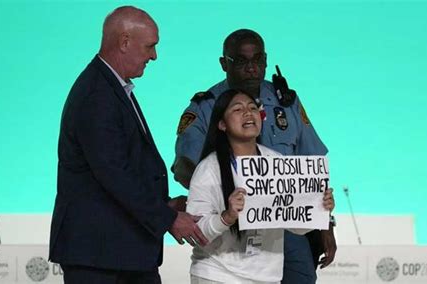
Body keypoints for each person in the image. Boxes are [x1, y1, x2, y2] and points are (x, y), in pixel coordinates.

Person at [49, 6, 207, 284]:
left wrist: (164, 205)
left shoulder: (109, 87)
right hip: (100, 257)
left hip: (118, 252)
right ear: (124, 42)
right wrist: (166, 218)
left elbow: (121, 169)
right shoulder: (97, 94)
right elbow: (114, 173)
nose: (154, 56)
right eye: (150, 46)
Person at [173, 29, 336, 283]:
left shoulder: (287, 102)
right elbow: (188, 167)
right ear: (224, 63)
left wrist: (326, 221)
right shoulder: (206, 106)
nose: (252, 68)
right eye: (242, 61)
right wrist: (224, 207)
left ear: (266, 60)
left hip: (284, 223)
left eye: (257, 60)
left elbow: (311, 164)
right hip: (229, 228)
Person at [186, 89, 335, 283]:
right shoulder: (208, 169)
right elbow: (196, 233)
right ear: (222, 124)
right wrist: (227, 217)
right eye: (238, 109)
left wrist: (318, 206)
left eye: (253, 108)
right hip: (218, 275)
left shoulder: (277, 162)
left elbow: (295, 226)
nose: (248, 113)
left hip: (266, 277)